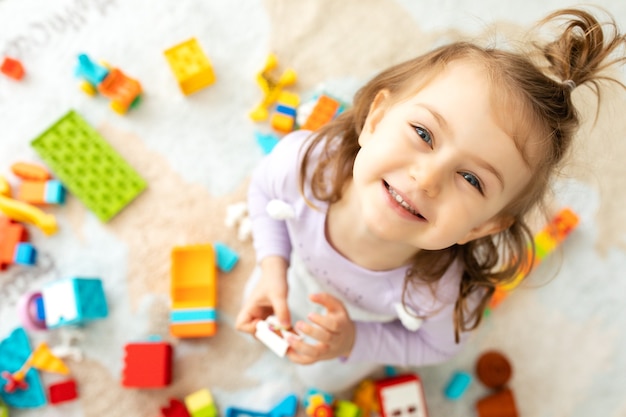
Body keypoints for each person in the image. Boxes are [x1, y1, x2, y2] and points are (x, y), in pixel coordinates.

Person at [235, 8, 626, 392]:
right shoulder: (305, 163)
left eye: (471, 179)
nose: (427, 178)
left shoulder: (441, 294)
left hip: (351, 335)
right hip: (287, 275)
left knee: (320, 379)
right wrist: (272, 269)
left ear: (483, 226)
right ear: (375, 120)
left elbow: (438, 345)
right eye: (423, 134)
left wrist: (355, 341)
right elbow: (264, 192)